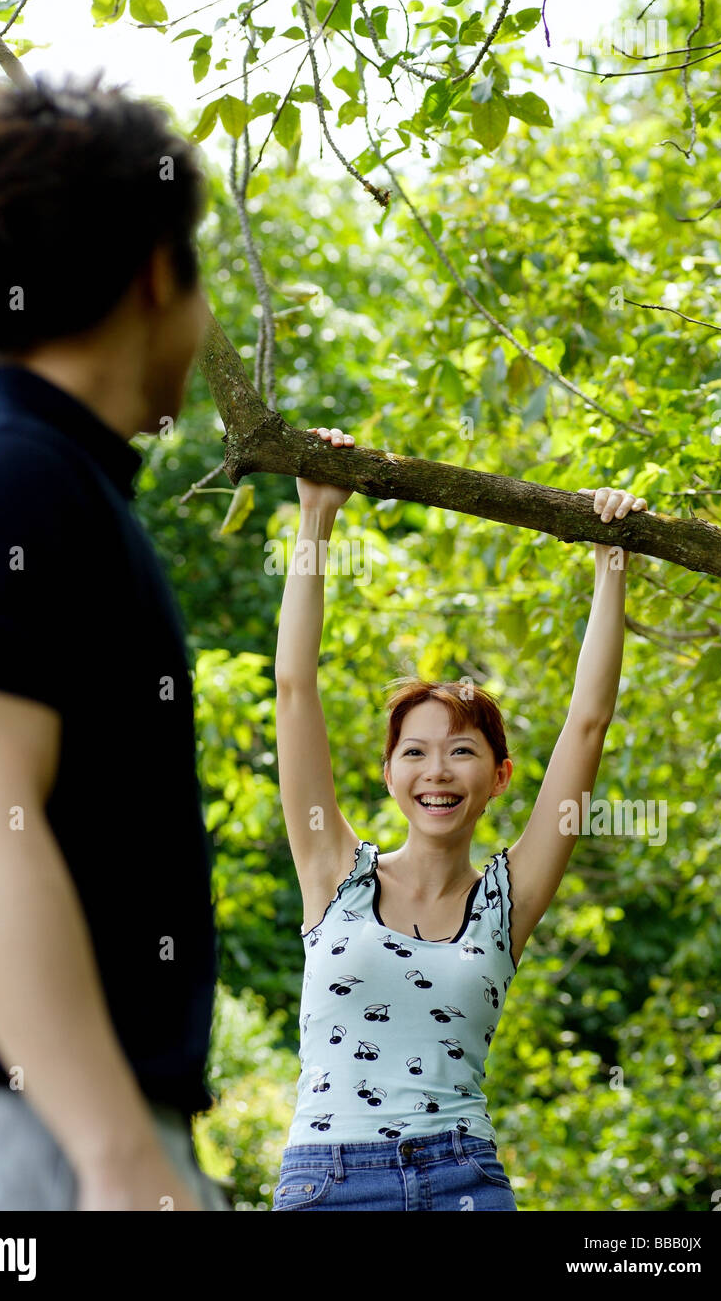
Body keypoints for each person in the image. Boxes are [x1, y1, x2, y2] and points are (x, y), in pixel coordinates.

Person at [0, 75, 229, 1211]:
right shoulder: (9, 482)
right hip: (18, 1140)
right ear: (153, 277)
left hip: (42, 1129)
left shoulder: (47, 483)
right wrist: (114, 1150)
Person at [271, 424, 647, 1212]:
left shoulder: (509, 899)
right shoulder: (332, 871)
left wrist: (613, 560)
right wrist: (316, 516)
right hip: (329, 1183)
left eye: (461, 753)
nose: (436, 770)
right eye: (415, 753)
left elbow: (588, 724)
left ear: (499, 777)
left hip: (463, 1180)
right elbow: (295, 687)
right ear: (389, 773)